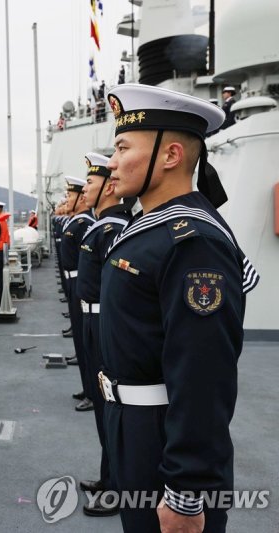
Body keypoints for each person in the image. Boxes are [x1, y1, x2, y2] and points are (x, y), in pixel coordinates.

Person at [100, 83, 259, 532]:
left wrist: (187, 494)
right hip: (135, 428)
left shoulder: (193, 242)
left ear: (170, 156)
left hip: (163, 439)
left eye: (122, 147)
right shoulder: (151, 228)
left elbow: (203, 375)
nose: (112, 162)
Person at [75, 152, 132, 517]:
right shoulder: (102, 225)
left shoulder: (113, 228)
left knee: (111, 407)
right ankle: (107, 476)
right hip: (91, 319)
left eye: (91, 184)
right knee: (103, 408)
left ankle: (116, 486)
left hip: (104, 322)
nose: (85, 191)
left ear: (108, 187)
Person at [59, 176, 95, 410]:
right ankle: (87, 387)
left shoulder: (84, 224)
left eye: (71, 195)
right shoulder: (78, 222)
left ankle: (92, 392)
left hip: (80, 284)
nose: (67, 199)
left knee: (87, 343)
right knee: (81, 340)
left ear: (82, 198)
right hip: (74, 283)